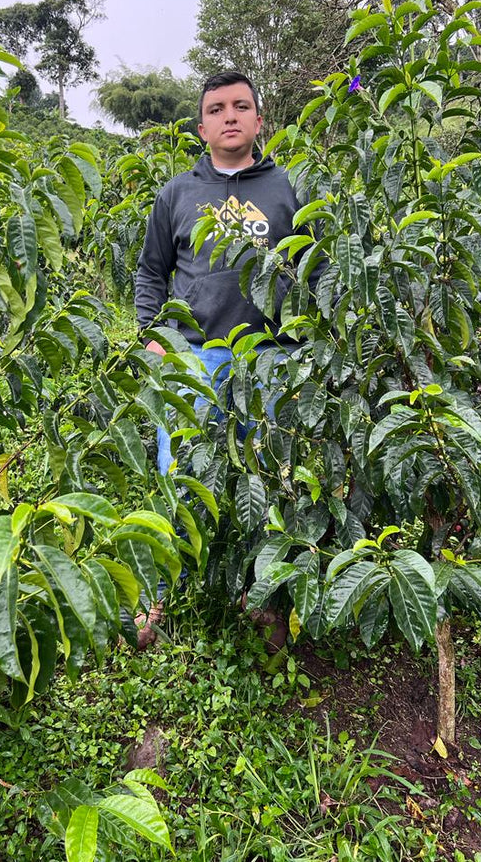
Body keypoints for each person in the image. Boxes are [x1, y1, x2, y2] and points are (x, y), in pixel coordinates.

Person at [134, 70, 324, 648]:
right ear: (202, 127)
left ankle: (258, 594)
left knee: (263, 476)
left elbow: (316, 267)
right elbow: (150, 270)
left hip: (267, 359)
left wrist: (307, 345)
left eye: (241, 106)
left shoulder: (289, 189)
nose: (230, 116)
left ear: (260, 120)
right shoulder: (177, 193)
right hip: (194, 356)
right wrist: (150, 334)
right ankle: (164, 595)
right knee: (183, 474)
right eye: (217, 109)